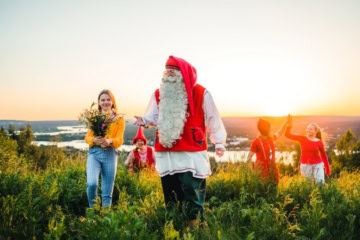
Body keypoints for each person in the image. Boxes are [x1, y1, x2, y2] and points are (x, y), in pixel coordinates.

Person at [134, 56, 227, 226]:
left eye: (172, 72)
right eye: (166, 72)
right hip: (167, 152)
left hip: (191, 152)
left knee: (192, 187)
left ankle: (194, 224)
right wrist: (144, 121)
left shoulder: (201, 93)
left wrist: (219, 142)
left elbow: (213, 118)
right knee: (170, 188)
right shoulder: (158, 93)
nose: (168, 76)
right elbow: (153, 116)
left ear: (182, 74)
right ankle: (174, 223)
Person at [84, 89, 125, 207]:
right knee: (92, 183)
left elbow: (120, 140)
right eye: (103, 100)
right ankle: (93, 213)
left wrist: (109, 141)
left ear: (112, 102)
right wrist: (94, 140)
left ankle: (106, 219)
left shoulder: (119, 119)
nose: (105, 102)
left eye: (108, 99)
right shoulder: (94, 118)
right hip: (94, 153)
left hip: (110, 154)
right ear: (99, 102)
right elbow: (87, 137)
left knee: (107, 193)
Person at [285, 115, 331, 184]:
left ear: (315, 131)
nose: (308, 130)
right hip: (305, 165)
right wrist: (289, 126)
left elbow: (323, 155)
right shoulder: (302, 139)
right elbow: (287, 135)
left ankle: (321, 194)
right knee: (307, 185)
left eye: (311, 129)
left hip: (318, 164)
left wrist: (327, 169)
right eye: (307, 128)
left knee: (320, 183)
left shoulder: (319, 142)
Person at [247, 118, 288, 184]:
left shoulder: (271, 138)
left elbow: (279, 133)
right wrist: (252, 171)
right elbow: (249, 158)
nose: (270, 129)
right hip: (261, 169)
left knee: (274, 186)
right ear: (265, 130)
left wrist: (285, 123)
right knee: (263, 188)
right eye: (269, 128)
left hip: (272, 167)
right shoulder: (256, 142)